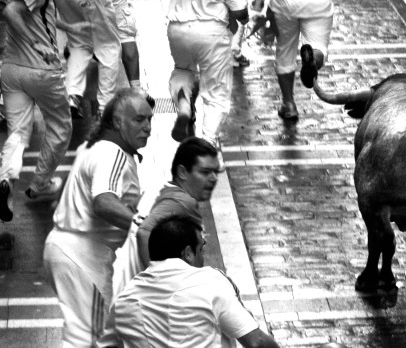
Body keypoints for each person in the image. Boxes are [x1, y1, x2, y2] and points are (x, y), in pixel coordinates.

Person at [43, 90, 153, 347]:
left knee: (96, 336)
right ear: (117, 122)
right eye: (139, 120)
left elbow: (65, 195)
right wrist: (146, 227)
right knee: (95, 337)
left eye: (149, 119)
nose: (147, 127)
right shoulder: (112, 154)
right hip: (82, 257)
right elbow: (103, 201)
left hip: (72, 253)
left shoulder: (97, 148)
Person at [100, 216, 281, 348]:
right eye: (201, 249)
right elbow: (257, 343)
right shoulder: (210, 281)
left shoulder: (124, 300)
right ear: (188, 252)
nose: (203, 257)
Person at [157, 0, 249, 143]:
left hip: (178, 29)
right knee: (217, 92)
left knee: (182, 71)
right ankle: (207, 141)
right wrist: (245, 18)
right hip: (212, 32)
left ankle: (185, 106)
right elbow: (239, 11)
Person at [0, 0, 74, 221]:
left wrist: (70, 26)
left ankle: (6, 180)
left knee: (18, 131)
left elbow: (35, 15)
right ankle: (40, 184)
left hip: (11, 70)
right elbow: (11, 12)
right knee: (60, 127)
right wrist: (37, 45)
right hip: (41, 72)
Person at [135, 138, 221, 269]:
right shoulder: (181, 202)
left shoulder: (165, 190)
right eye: (205, 172)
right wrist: (157, 281)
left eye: (215, 172)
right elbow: (144, 233)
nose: (214, 178)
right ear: (182, 173)